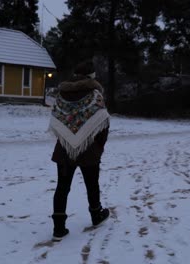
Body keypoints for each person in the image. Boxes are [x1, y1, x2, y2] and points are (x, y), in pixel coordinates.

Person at [48, 59, 110, 241]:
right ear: (91, 77)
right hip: (89, 151)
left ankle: (58, 228)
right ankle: (96, 215)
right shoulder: (95, 95)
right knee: (92, 184)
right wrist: (98, 146)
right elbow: (103, 124)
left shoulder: (62, 95)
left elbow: (57, 120)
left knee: (62, 187)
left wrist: (67, 140)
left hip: (64, 148)